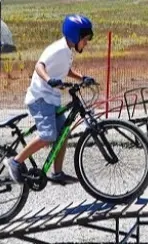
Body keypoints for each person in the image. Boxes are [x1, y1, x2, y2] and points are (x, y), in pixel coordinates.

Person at [7, 14, 96, 185]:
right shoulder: (58, 49)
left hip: (51, 99)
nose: (87, 43)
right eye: (85, 39)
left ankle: (57, 173)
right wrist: (48, 79)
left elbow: (66, 70)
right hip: (40, 98)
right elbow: (39, 66)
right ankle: (15, 162)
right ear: (75, 36)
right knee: (48, 136)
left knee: (63, 133)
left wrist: (82, 78)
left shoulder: (67, 50)